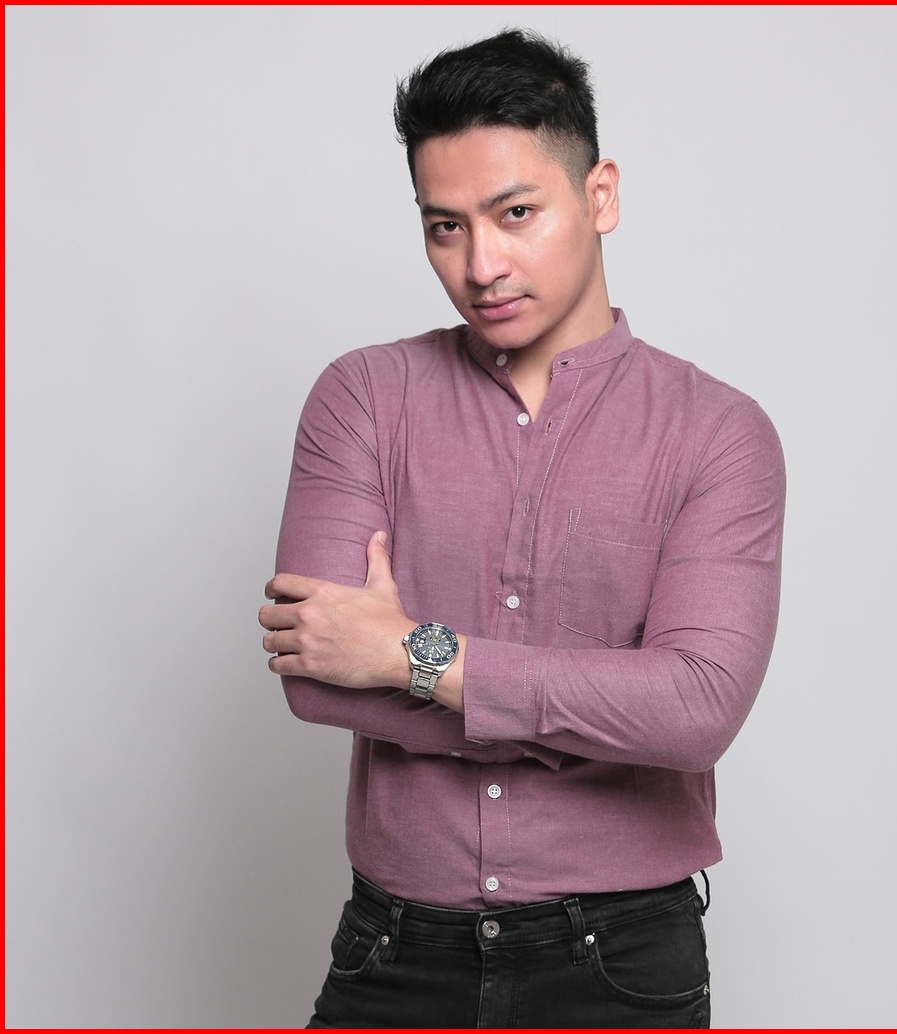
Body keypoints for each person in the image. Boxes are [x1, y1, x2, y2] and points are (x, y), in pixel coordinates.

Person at [258, 27, 784, 1030]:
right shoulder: (362, 398)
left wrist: (411, 656)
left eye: (514, 213)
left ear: (599, 195)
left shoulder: (718, 433)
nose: (481, 264)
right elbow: (316, 674)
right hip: (394, 950)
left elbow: (695, 709)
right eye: (444, 227)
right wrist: (598, 715)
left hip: (620, 961)